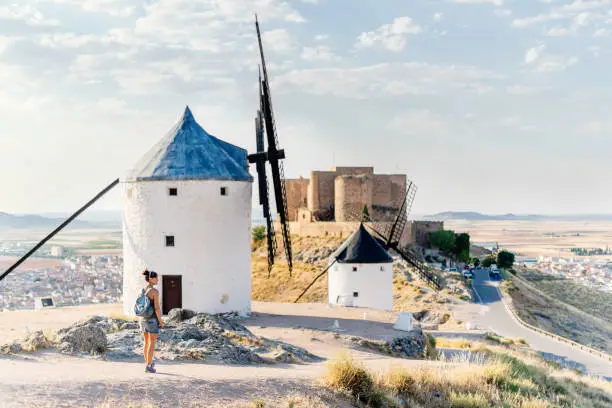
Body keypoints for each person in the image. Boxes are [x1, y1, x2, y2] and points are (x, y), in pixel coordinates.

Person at [140, 269, 163, 373]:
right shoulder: (154, 291)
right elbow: (157, 308)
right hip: (152, 320)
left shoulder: (143, 290)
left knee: (146, 343)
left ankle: (147, 363)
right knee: (152, 343)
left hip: (143, 319)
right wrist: (160, 321)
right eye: (156, 278)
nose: (158, 280)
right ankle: (149, 366)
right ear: (150, 279)